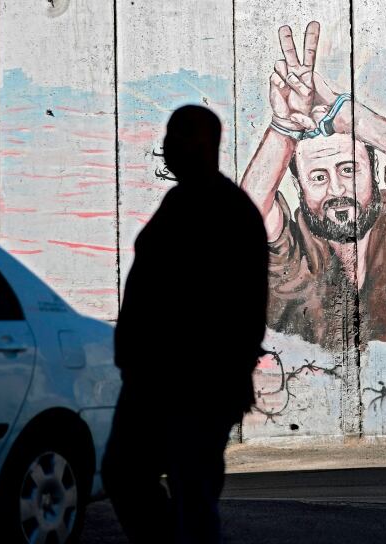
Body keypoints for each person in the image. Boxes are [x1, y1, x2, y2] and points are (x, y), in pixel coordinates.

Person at [241, 21, 386, 359]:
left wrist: (348, 113)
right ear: (298, 186)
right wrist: (284, 126)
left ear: (373, 172)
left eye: (349, 169)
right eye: (318, 177)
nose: (337, 189)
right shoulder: (292, 248)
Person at [102, 105, 268, 543]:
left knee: (188, 492)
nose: (167, 147)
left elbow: (245, 311)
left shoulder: (227, 212)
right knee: (130, 474)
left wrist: (225, 380)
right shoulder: (183, 201)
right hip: (155, 381)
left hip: (194, 385)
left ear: (203, 144)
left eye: (178, 136)